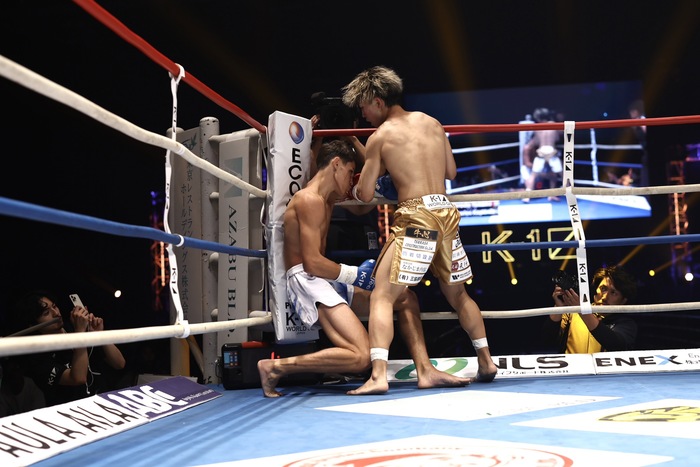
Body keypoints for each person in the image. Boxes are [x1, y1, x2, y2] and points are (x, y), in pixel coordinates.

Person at [257, 139, 471, 397]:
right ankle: (275, 367)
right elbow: (312, 262)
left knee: (406, 298)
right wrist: (355, 275)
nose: (352, 180)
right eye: (350, 173)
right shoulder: (309, 200)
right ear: (336, 165)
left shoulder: (327, 197)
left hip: (326, 277)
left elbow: (367, 189)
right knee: (361, 357)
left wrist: (349, 141)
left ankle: (425, 371)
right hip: (308, 279)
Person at [341, 65, 498, 395]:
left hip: (416, 217)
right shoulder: (432, 123)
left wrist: (358, 187)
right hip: (446, 212)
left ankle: (378, 376)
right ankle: (486, 361)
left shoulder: (380, 137)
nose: (363, 114)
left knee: (382, 296)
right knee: (458, 295)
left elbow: (365, 195)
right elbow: (451, 171)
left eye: (364, 106)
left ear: (378, 101)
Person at [10, 290, 126, 406]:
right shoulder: (37, 356)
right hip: (73, 410)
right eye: (46, 313)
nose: (56, 313)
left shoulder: (74, 326)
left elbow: (119, 363)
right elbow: (78, 378)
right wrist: (80, 333)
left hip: (103, 400)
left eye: (54, 306)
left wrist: (100, 334)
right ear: (33, 325)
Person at [543, 266, 638, 353]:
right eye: (603, 289)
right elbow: (546, 341)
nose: (605, 297)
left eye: (613, 292)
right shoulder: (572, 313)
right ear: (595, 291)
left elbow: (616, 345)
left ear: (623, 300)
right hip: (571, 366)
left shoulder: (627, 323)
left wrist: (582, 310)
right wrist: (558, 308)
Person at [522, 107, 562, 203]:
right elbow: (559, 137)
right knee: (563, 174)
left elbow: (535, 142)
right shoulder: (554, 124)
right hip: (551, 152)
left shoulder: (537, 127)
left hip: (541, 152)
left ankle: (527, 196)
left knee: (533, 175)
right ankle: (568, 194)